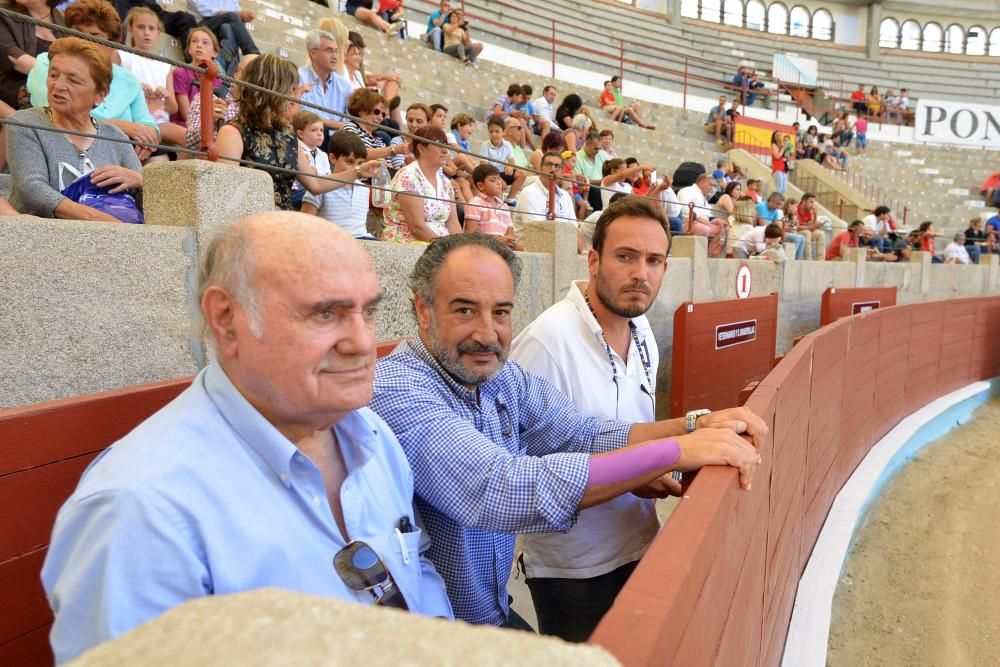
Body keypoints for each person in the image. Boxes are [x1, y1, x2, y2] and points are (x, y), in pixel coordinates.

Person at [41, 212, 454, 664]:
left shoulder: (372, 435)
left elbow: (417, 569)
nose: (361, 342)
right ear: (227, 318)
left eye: (368, 312)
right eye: (325, 313)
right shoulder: (140, 508)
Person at [369, 230, 765, 627]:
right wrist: (676, 451)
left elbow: (582, 432)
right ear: (422, 310)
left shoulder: (499, 376)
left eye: (501, 312)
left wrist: (693, 425)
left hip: (489, 613)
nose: (487, 334)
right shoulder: (396, 388)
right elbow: (503, 488)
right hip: (428, 639)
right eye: (465, 310)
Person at [505, 196, 676, 641]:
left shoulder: (643, 333)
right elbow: (524, 472)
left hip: (639, 541)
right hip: (572, 568)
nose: (641, 272)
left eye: (654, 260)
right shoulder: (546, 340)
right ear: (594, 260)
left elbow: (627, 434)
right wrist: (635, 472)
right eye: (626, 256)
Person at [7, 37, 143, 221]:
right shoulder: (26, 123)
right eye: (53, 75)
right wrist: (102, 221)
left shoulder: (116, 137)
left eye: (73, 81)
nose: (59, 85)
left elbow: (147, 202)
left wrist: (140, 180)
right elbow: (32, 189)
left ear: (100, 95)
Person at [27, 0, 159, 161]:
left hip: (121, 154)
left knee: (157, 156)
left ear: (112, 45)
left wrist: (148, 137)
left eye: (95, 37)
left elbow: (147, 123)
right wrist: (126, 127)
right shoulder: (47, 62)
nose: (84, 42)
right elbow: (59, 115)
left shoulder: (129, 79)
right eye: (78, 33)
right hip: (63, 146)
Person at [216, 55, 351, 210]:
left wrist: (359, 172)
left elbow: (315, 184)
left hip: (282, 223)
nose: (295, 97)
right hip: (251, 224)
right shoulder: (233, 132)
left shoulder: (287, 134)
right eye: (291, 89)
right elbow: (225, 196)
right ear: (273, 89)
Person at [382, 125, 460, 242]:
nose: (445, 150)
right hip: (408, 242)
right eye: (439, 144)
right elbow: (416, 227)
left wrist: (462, 247)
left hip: (439, 245)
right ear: (421, 148)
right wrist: (446, 249)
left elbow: (453, 223)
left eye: (446, 145)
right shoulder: (408, 176)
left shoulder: (446, 182)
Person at [299, 129, 382, 239]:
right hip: (333, 243)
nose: (356, 168)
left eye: (360, 164)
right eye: (350, 162)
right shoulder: (321, 185)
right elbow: (304, 225)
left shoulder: (364, 189)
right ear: (332, 158)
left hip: (363, 241)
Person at [0, 0, 64, 116]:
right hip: (13, 94)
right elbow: (13, 56)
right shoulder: (3, 12)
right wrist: (62, 73)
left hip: (55, 92)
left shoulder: (64, 18)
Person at [298, 29, 353, 139]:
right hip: (308, 137)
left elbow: (351, 118)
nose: (335, 56)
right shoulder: (299, 77)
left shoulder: (345, 85)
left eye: (336, 51)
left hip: (338, 140)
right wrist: (339, 125)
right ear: (312, 53)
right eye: (329, 50)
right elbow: (304, 116)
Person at [512, 150, 575, 244]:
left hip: (559, 248)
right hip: (532, 251)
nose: (553, 169)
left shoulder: (565, 196)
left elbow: (573, 229)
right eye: (549, 164)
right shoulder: (529, 193)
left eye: (557, 166)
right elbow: (537, 233)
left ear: (562, 171)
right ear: (541, 168)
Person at [344, 31, 403, 133]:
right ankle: (386, 105)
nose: (360, 58)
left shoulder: (357, 75)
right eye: (356, 54)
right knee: (387, 126)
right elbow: (352, 96)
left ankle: (387, 105)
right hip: (357, 114)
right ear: (345, 54)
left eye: (361, 54)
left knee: (393, 124)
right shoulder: (341, 72)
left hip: (367, 111)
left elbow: (367, 80)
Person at [169, 26, 222, 128]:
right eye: (194, 41)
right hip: (185, 127)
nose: (199, 45)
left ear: (215, 53)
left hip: (209, 126)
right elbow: (186, 115)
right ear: (189, 49)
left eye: (205, 43)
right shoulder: (180, 72)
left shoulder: (219, 81)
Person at [464, 163, 520, 250]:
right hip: (484, 249)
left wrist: (508, 240)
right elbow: (470, 235)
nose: (498, 183)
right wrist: (497, 240)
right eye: (493, 180)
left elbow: (511, 233)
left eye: (499, 179)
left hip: (503, 248)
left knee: (522, 246)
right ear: (480, 186)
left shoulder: (504, 206)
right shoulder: (475, 203)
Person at [339, 87, 402, 161]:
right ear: (362, 109)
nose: (380, 118)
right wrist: (394, 150)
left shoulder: (379, 140)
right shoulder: (349, 128)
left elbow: (388, 166)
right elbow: (360, 154)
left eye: (383, 115)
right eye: (376, 112)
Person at [479, 114, 526, 203]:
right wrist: (499, 179)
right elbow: (483, 168)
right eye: (491, 132)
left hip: (501, 173)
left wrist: (510, 167)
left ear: (503, 132)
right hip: (489, 174)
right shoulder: (485, 145)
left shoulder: (507, 145)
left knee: (521, 173)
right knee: (499, 198)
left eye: (497, 131)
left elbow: (512, 162)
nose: (494, 134)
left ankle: (510, 198)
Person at [678, 174, 726, 256]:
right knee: (703, 229)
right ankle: (700, 256)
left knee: (724, 228)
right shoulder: (686, 191)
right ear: (702, 183)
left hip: (705, 224)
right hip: (689, 223)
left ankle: (712, 254)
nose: (711, 188)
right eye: (710, 185)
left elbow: (707, 214)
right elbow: (684, 209)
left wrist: (716, 219)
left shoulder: (702, 197)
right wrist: (698, 218)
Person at [793, 193, 826, 260]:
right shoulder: (796, 208)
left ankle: (821, 260)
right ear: (804, 201)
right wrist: (811, 227)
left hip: (805, 231)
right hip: (795, 232)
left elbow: (812, 227)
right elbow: (796, 227)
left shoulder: (809, 211)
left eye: (813, 202)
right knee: (806, 232)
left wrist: (815, 216)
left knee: (821, 234)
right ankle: (808, 259)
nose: (812, 205)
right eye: (811, 202)